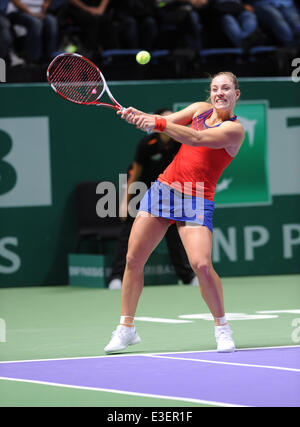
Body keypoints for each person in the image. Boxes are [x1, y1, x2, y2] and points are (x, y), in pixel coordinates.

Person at [104, 71, 245, 354]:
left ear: (236, 94)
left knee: (202, 265)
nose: (220, 93)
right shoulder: (199, 109)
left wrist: (155, 122)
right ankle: (126, 328)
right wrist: (138, 115)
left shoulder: (235, 130)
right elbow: (167, 123)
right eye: (215, 88)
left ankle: (222, 327)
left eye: (226, 88)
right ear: (210, 92)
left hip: (196, 198)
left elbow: (194, 138)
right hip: (164, 190)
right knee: (133, 259)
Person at [108, 108, 197, 290]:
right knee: (128, 237)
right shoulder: (146, 144)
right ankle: (116, 277)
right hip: (143, 192)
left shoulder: (180, 143)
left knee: (175, 236)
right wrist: (126, 201)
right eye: (165, 119)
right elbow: (135, 173)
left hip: (171, 195)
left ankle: (187, 276)